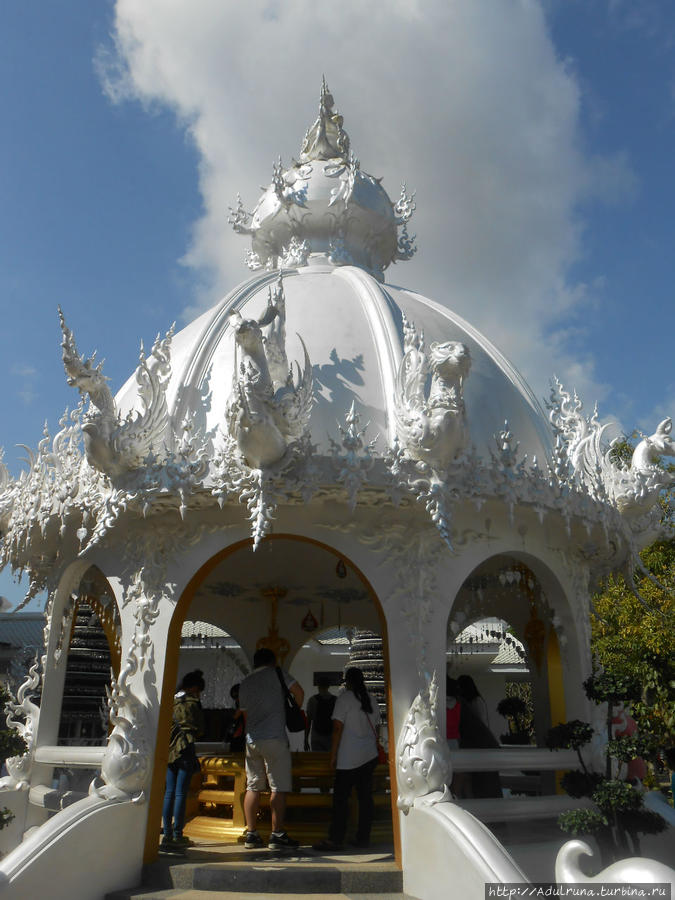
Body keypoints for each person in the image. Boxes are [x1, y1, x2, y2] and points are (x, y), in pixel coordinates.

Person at [238, 647, 304, 850]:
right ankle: (277, 834)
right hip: (275, 737)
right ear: (273, 661)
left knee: (253, 786)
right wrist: (291, 710)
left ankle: (251, 834)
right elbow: (299, 692)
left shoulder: (245, 682)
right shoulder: (278, 673)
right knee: (278, 787)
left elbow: (244, 713)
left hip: (252, 740)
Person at [313, 667, 380, 852]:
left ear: (347, 682)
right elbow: (378, 728)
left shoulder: (344, 699)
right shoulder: (372, 699)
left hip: (348, 758)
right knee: (366, 799)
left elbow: (337, 729)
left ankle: (336, 839)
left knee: (341, 800)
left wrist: (333, 755)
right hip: (369, 756)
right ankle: (363, 838)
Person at [161, 669, 205, 854]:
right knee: (180, 793)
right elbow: (201, 728)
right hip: (186, 749)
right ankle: (178, 834)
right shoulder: (193, 703)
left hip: (169, 750)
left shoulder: (169, 700)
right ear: (194, 687)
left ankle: (167, 834)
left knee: (169, 792)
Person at [304, 676, 337, 752]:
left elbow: (308, 722)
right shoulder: (335, 700)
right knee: (329, 761)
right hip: (330, 738)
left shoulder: (312, 700)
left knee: (317, 761)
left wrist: (305, 739)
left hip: (316, 737)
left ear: (318, 686)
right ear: (328, 686)